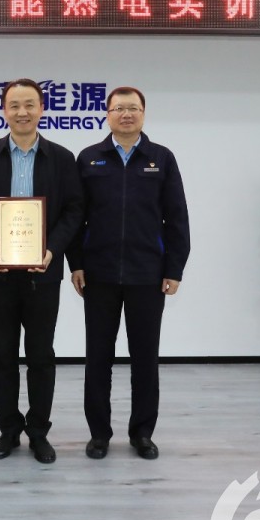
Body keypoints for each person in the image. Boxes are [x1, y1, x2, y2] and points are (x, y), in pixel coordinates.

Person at [0, 78, 83, 464]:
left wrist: (52, 249)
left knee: (41, 355)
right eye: (14, 105)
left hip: (43, 272)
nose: (22, 112)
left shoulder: (61, 158)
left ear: (42, 109)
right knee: (3, 354)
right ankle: (8, 431)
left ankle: (39, 432)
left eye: (29, 104)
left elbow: (75, 210)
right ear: (4, 111)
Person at [68, 86, 190, 460]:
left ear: (143, 113)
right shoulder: (89, 158)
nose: (126, 114)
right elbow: (75, 217)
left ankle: (142, 433)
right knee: (97, 358)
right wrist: (76, 263)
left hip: (147, 275)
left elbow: (177, 217)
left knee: (145, 359)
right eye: (119, 108)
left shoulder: (161, 158)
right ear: (107, 114)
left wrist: (174, 268)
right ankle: (99, 434)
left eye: (133, 108)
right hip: (99, 274)